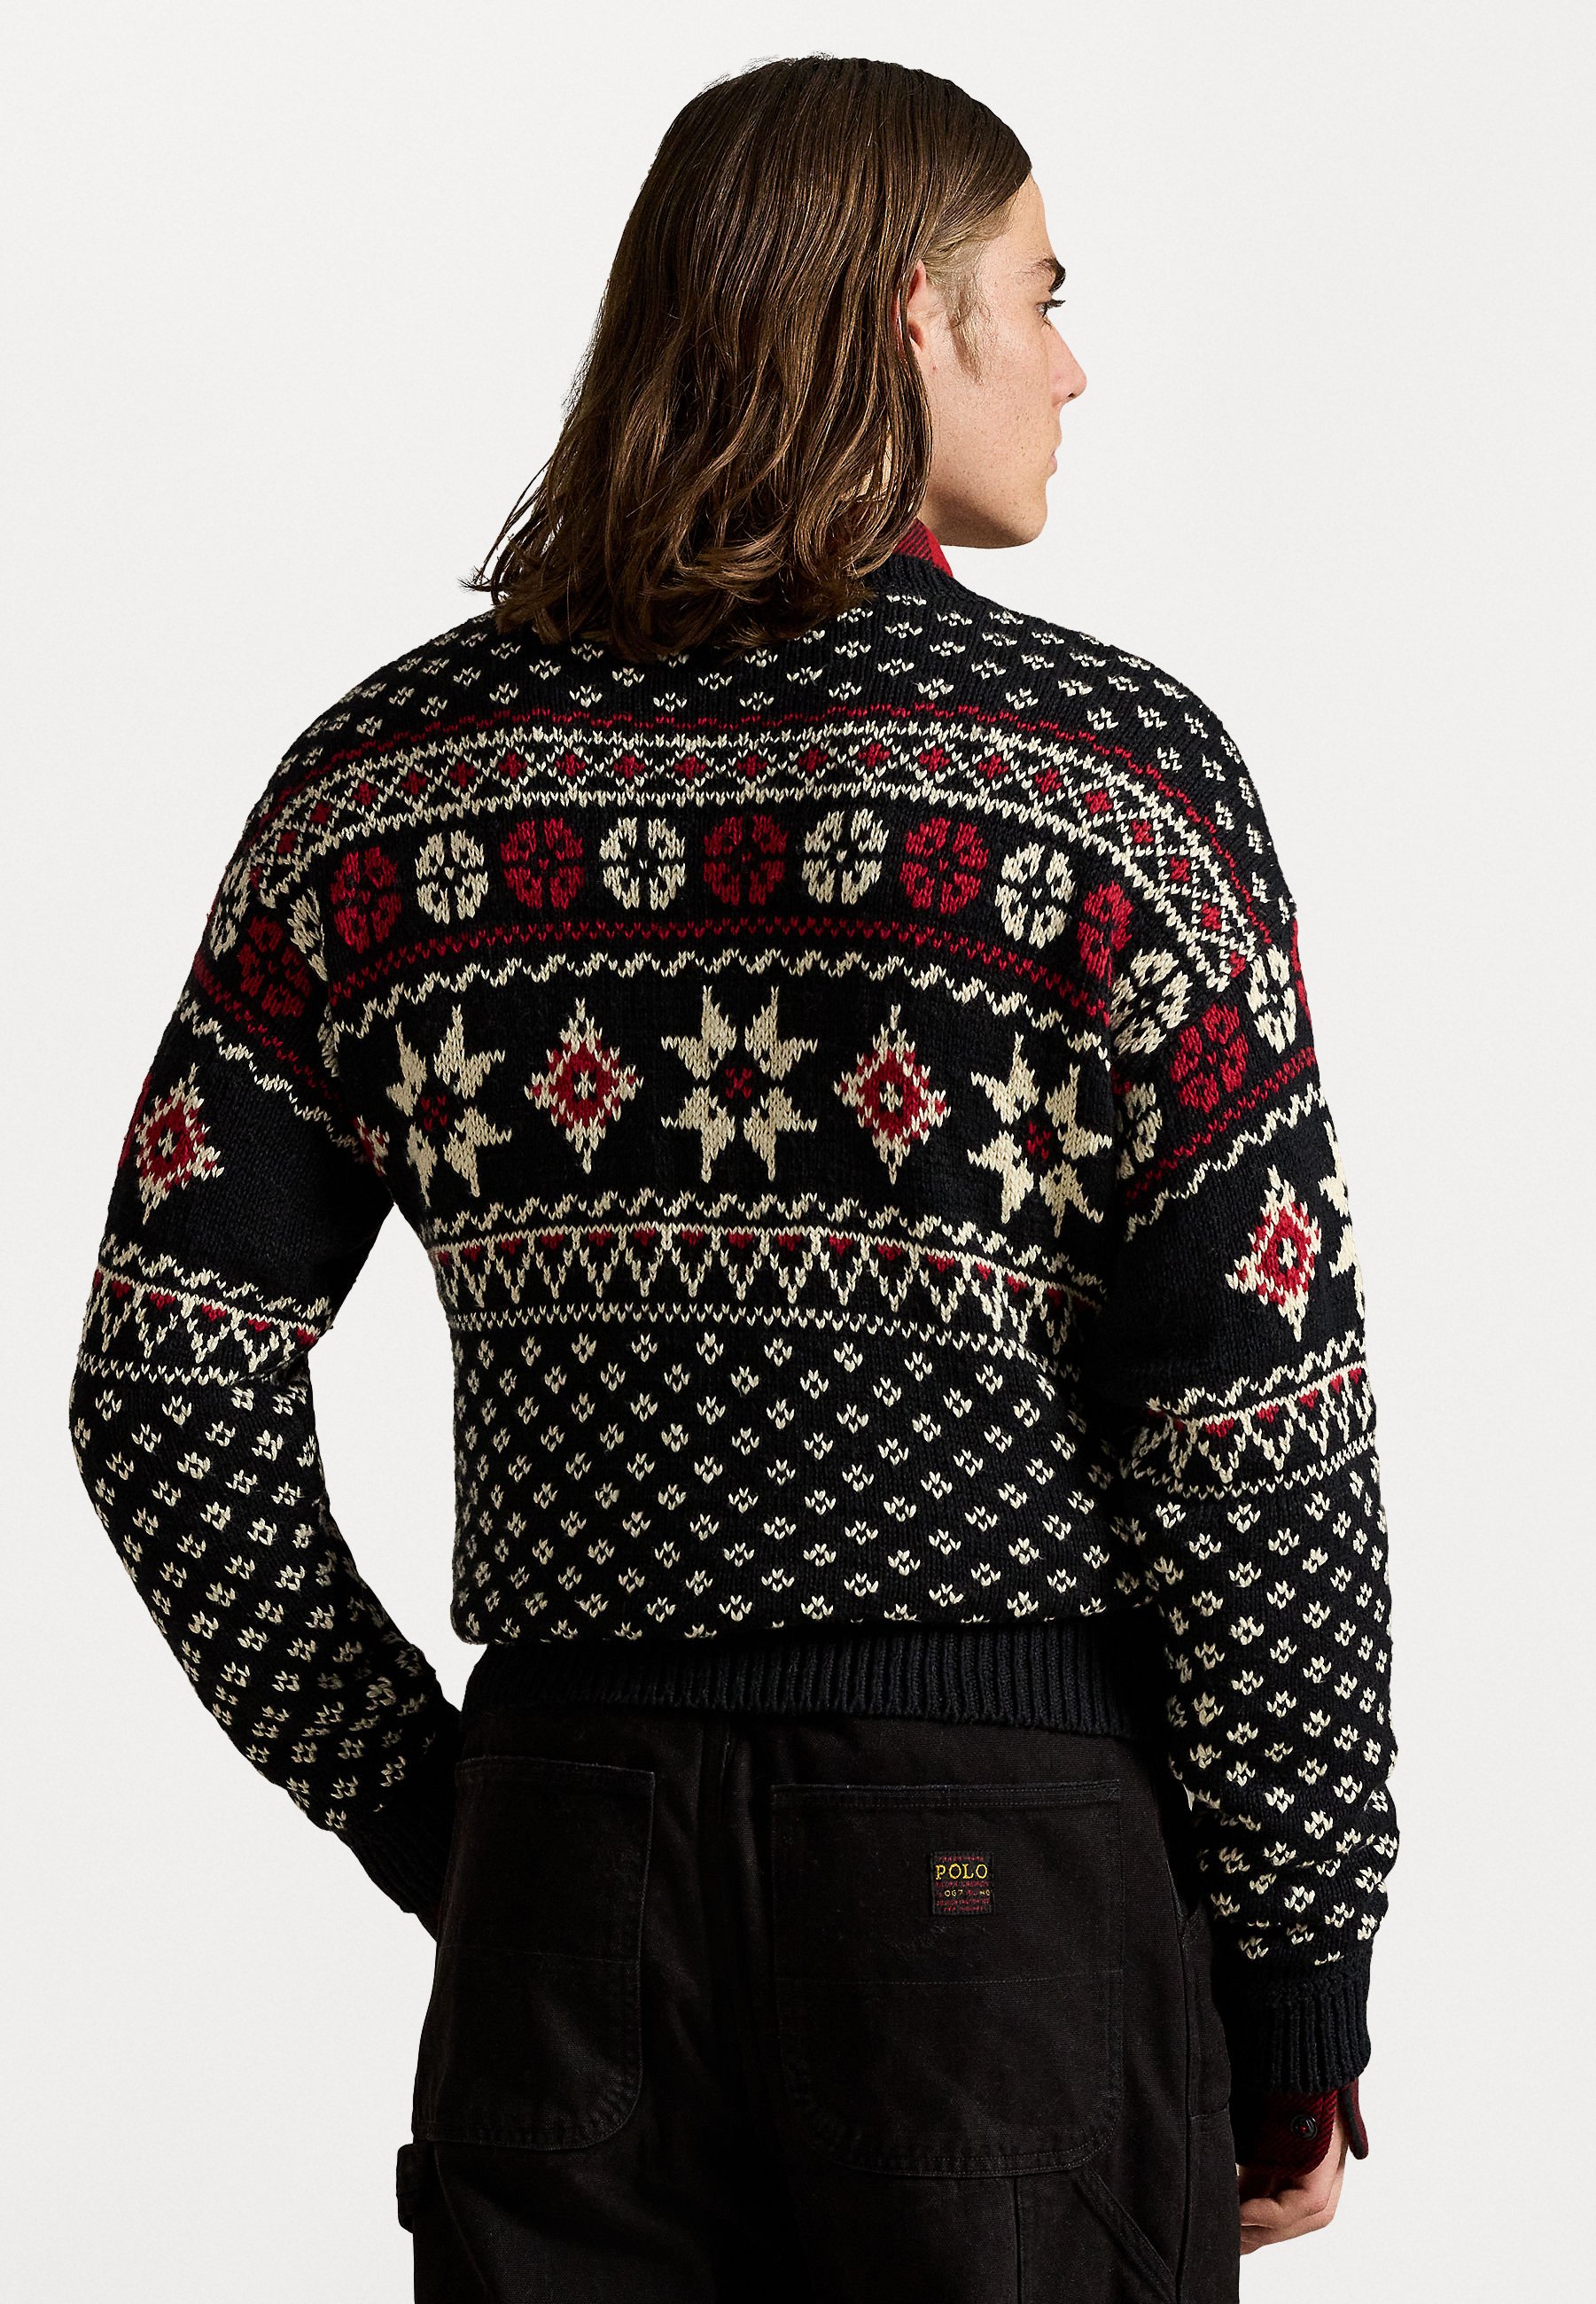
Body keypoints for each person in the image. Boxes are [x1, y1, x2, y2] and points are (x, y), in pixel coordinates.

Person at [66, 52, 1397, 2301]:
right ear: (909, 314)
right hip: (1001, 1888)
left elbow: (164, 1391)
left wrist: (450, 1816)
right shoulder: (1106, 786)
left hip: (569, 1872)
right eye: (1040, 293)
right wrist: (1297, 1980)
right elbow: (1253, 1423)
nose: (1070, 365)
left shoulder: (384, 786)